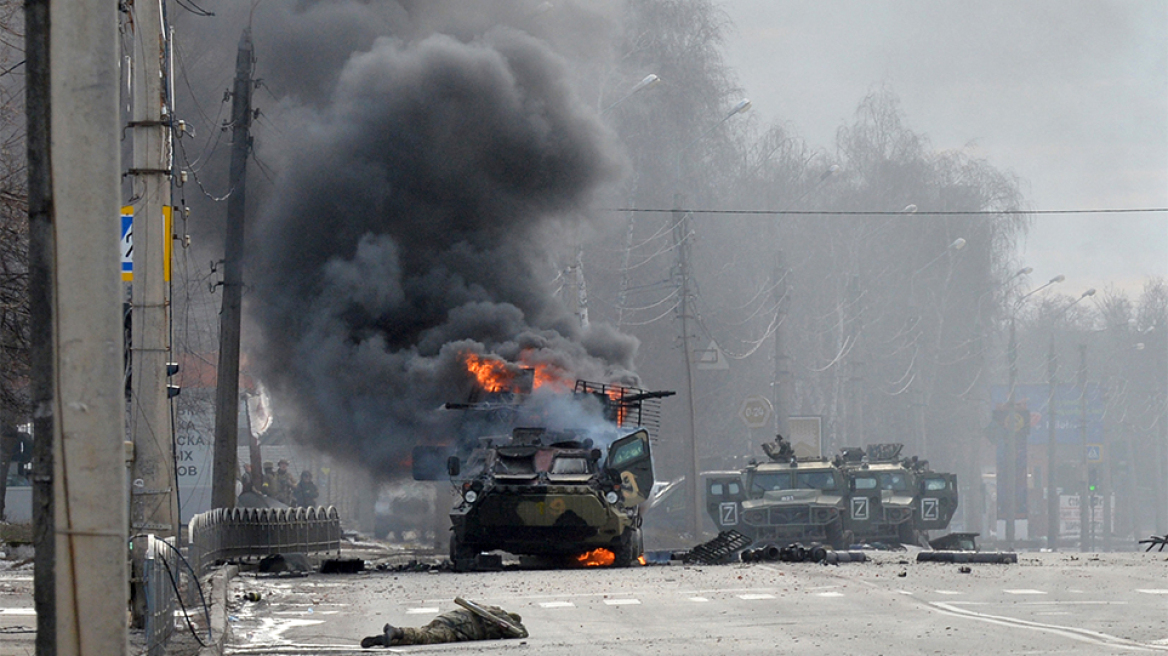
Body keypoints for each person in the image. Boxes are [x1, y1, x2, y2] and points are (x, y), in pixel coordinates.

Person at [360, 600, 527, 648]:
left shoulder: (489, 609)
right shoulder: (500, 620)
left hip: (448, 619)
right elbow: (521, 633)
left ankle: (386, 639)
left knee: (423, 634)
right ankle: (397, 632)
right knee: (427, 637)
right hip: (459, 628)